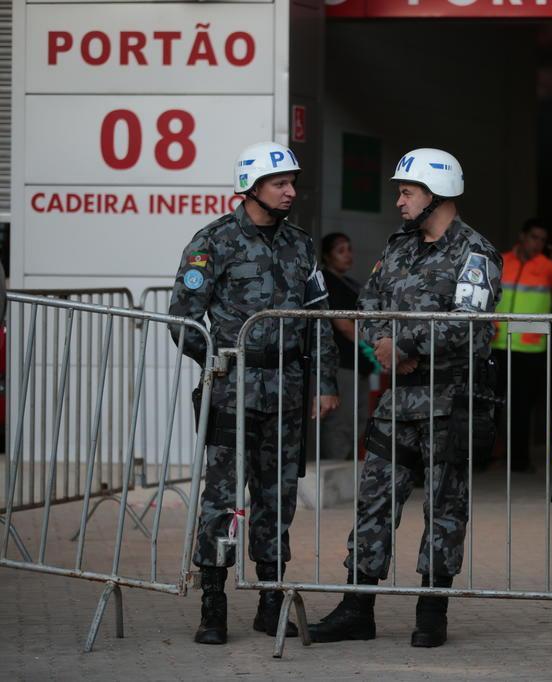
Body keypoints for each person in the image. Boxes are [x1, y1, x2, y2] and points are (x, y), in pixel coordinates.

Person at [308, 148, 502, 648]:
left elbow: (467, 325)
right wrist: (383, 346)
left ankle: (432, 610)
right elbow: (368, 304)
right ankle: (357, 606)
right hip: (400, 401)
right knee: (374, 500)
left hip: (451, 401)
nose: (399, 200)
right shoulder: (399, 246)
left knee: (444, 508)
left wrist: (406, 344)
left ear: (437, 193)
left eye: (407, 191)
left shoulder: (475, 253)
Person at [169, 141, 340, 645]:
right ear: (251, 188)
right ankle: (214, 603)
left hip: (286, 393)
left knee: (277, 498)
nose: (291, 192)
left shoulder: (301, 245)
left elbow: (318, 320)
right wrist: (216, 361)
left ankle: (270, 599)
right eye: (280, 184)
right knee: (222, 500)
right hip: (231, 394)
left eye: (292, 183)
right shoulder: (213, 242)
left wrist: (324, 382)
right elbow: (182, 320)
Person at [492, 218, 552, 472]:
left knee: (522, 407)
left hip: (530, 348)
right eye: (534, 237)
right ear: (522, 236)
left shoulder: (548, 266)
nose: (538, 243)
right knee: (490, 403)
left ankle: (519, 460)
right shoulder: (501, 261)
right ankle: (485, 457)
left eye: (542, 240)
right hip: (498, 344)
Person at [319, 232, 375, 460]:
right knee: (342, 420)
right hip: (342, 362)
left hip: (359, 363)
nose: (348, 255)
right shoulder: (327, 282)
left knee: (359, 418)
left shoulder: (350, 282)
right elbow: (344, 325)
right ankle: (333, 470)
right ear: (327, 256)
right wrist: (372, 346)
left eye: (349, 249)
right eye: (340, 251)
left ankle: (346, 472)